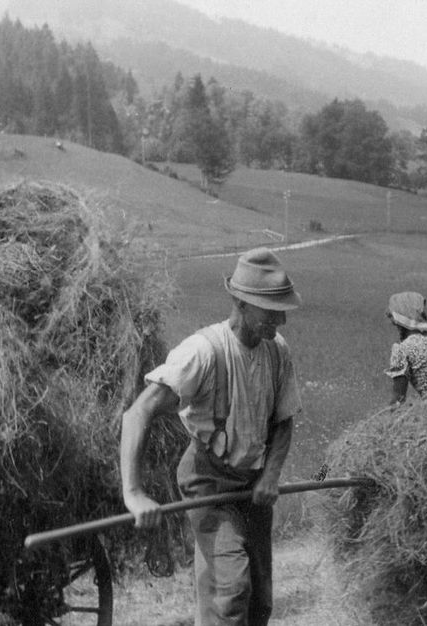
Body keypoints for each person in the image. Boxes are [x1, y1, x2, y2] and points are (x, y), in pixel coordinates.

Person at [120, 247, 302, 626]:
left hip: (253, 485)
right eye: (272, 310)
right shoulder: (203, 352)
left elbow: (283, 421)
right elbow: (138, 413)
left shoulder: (276, 351)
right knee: (230, 591)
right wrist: (134, 494)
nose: (281, 320)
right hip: (208, 481)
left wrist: (270, 476)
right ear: (241, 303)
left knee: (260, 601)